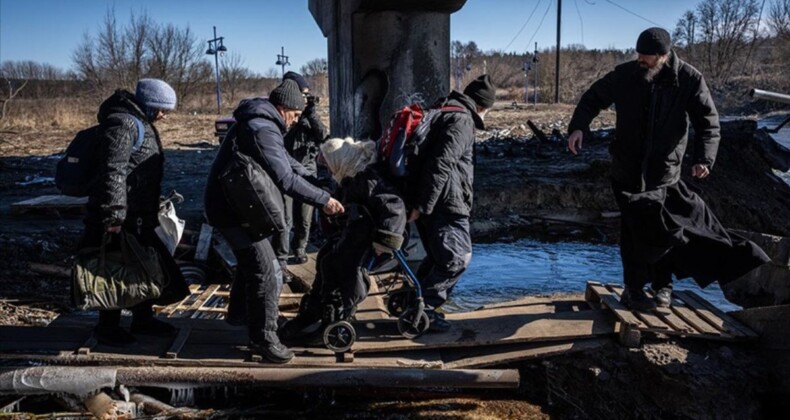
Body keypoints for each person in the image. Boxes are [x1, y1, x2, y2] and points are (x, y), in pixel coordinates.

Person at [567, 27, 770, 311]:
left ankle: (662, 287)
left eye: (647, 57)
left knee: (663, 231)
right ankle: (634, 289)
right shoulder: (625, 75)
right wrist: (578, 127)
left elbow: (708, 123)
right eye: (638, 55)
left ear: (663, 56)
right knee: (632, 230)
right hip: (626, 169)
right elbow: (593, 98)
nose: (641, 61)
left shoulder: (688, 79)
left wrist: (703, 158)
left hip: (664, 172)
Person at [204, 79, 344, 363]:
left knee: (250, 264)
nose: (295, 121)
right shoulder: (261, 127)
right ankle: (263, 340)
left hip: (232, 206)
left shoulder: (263, 123)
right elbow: (284, 179)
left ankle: (240, 317)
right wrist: (323, 200)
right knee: (266, 270)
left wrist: (316, 181)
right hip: (231, 212)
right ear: (283, 108)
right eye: (294, 115)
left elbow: (286, 163)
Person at [81, 78, 190, 346]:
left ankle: (143, 318)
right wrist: (114, 216)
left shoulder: (138, 122)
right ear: (149, 105)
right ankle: (107, 328)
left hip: (137, 215)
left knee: (144, 267)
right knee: (113, 270)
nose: (164, 115)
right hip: (118, 217)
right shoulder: (123, 123)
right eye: (162, 109)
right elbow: (113, 171)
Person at [279, 137, 406, 342]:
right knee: (325, 259)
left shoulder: (369, 179)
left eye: (330, 166)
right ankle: (315, 310)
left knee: (345, 267)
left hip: (371, 239)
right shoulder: (350, 177)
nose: (329, 171)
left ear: (340, 162)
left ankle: (338, 312)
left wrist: (385, 242)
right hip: (355, 233)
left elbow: (395, 207)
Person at [407, 74, 495, 331]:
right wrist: (423, 205)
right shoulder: (462, 121)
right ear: (482, 106)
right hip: (446, 204)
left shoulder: (444, 110)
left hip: (435, 202)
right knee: (457, 259)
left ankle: (414, 302)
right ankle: (423, 311)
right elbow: (441, 163)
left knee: (438, 257)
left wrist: (422, 204)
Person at [281, 71, 328, 265]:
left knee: (304, 216)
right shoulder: (284, 113)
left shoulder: (308, 116)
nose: (305, 98)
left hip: (307, 169)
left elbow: (323, 136)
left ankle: (300, 247)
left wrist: (311, 113)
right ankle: (281, 255)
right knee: (285, 218)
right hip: (285, 168)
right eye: (303, 94)